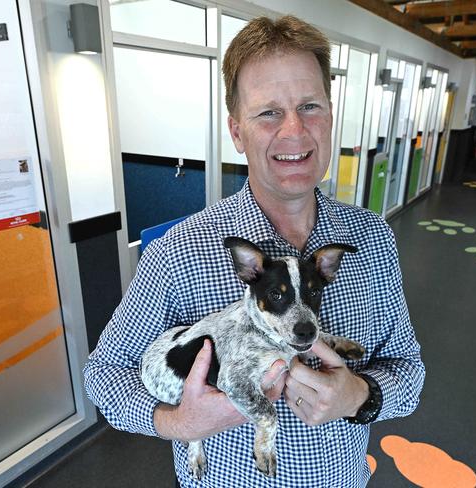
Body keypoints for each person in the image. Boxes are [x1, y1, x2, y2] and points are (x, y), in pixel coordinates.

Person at [84, 15, 424, 487]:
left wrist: (359, 397)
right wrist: (177, 422)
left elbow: (408, 371)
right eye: (268, 112)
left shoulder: (372, 238)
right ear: (238, 131)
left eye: (309, 106)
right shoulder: (178, 252)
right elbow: (104, 374)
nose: (295, 132)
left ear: (330, 115)